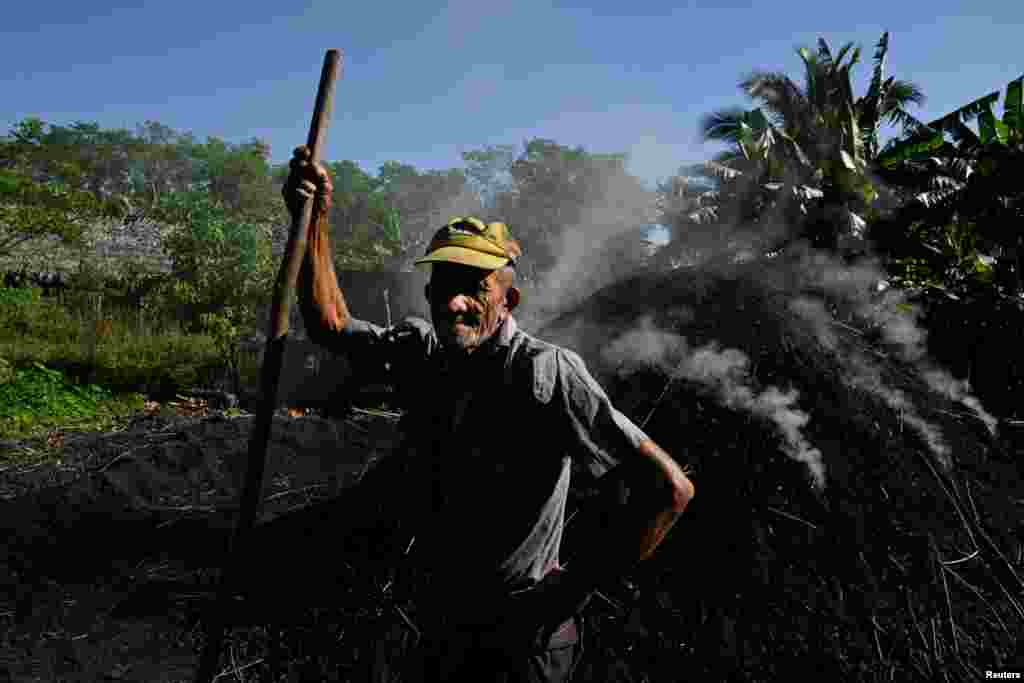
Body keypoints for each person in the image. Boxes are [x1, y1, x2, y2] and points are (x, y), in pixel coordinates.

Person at [277, 145, 695, 682]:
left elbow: (671, 490)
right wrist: (314, 217)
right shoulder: (422, 354)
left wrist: (570, 589)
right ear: (429, 293)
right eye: (444, 287)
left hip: (523, 642)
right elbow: (332, 323)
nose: (456, 303)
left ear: (508, 299)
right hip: (442, 624)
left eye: (474, 288)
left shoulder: (548, 375)